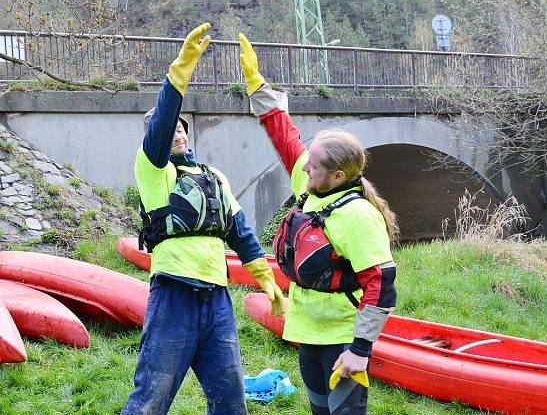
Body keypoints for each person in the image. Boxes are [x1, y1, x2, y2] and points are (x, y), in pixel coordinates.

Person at [122, 24, 286, 415]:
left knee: (231, 401)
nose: (176, 134)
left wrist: (266, 279)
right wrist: (181, 71)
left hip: (217, 301)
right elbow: (161, 124)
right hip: (173, 295)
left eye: (182, 129)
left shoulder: (215, 177)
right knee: (151, 399)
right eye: (169, 131)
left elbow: (240, 232)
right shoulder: (152, 172)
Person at [238, 33, 398, 415]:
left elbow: (382, 283)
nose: (305, 166)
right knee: (318, 410)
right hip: (306, 329)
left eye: (315, 165)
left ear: (339, 175)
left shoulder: (358, 215)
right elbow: (285, 138)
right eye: (308, 161)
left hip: (343, 337)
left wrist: (361, 350)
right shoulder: (310, 189)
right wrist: (257, 87)